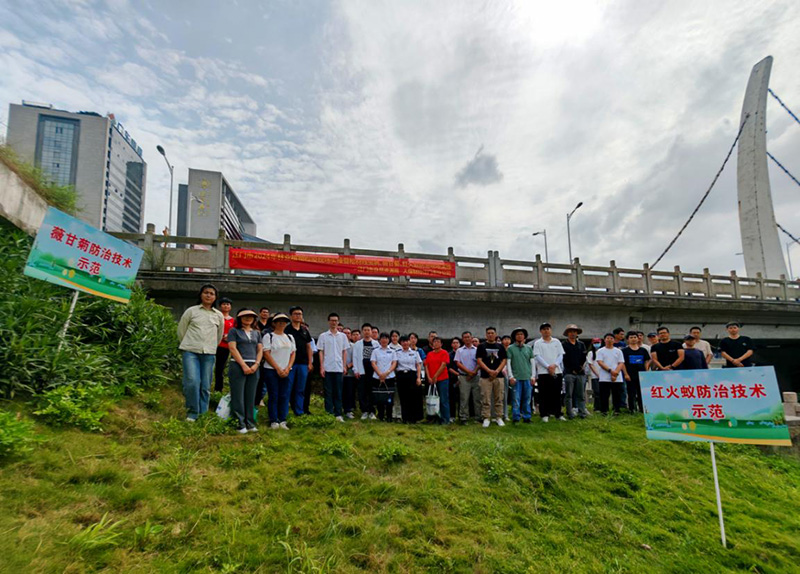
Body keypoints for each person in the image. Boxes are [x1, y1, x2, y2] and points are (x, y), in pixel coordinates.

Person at [177, 284, 224, 421]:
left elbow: (219, 336)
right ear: (201, 295)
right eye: (206, 293)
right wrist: (188, 344)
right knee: (192, 382)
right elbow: (181, 331)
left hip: (209, 354)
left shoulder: (218, 315)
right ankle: (192, 413)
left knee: (205, 385)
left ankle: (202, 414)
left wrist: (211, 347)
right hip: (191, 352)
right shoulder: (191, 311)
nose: (208, 295)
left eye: (212, 293)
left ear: (215, 297)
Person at [227, 308, 263, 433]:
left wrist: (256, 364)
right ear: (240, 318)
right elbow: (232, 348)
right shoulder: (234, 331)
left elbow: (260, 350)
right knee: (238, 395)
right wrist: (243, 365)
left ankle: (250, 422)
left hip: (254, 366)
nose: (248, 318)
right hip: (237, 365)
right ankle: (240, 423)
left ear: (254, 319)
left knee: (250, 395)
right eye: (245, 316)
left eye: (251, 316)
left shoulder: (257, 333)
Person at [263, 313, 296, 430]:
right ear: (274, 323)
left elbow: (293, 353)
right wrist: (277, 368)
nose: (281, 323)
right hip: (271, 370)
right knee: (274, 395)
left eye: (284, 321)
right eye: (279, 321)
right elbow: (266, 353)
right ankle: (273, 420)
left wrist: (288, 368)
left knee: (284, 395)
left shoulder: (290, 337)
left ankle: (283, 420)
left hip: (286, 371)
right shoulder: (269, 336)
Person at [317, 312, 349, 422]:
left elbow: (344, 352)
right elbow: (321, 352)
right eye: (332, 320)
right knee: (328, 392)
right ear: (328, 322)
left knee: (338, 391)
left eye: (336, 320)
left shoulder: (343, 336)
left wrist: (344, 366)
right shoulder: (323, 336)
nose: (334, 322)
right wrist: (321, 367)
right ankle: (329, 413)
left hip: (339, 368)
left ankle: (338, 413)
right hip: (327, 367)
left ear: (338, 322)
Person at [532, 323, 565, 422]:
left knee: (556, 393)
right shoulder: (538, 343)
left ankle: (558, 414)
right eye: (544, 329)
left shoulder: (557, 341)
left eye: (548, 329)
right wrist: (548, 366)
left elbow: (560, 355)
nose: (546, 331)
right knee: (543, 394)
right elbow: (537, 356)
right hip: (543, 372)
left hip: (556, 371)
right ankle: (544, 414)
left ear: (550, 330)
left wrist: (554, 365)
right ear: (541, 331)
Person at [285, 306, 314, 416]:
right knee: (288, 388)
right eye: (296, 314)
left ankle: (299, 411)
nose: (298, 316)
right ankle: (284, 411)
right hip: (290, 364)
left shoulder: (304, 330)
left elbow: (309, 347)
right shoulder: (287, 330)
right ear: (291, 316)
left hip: (303, 363)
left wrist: (310, 362)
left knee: (300, 389)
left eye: (300, 314)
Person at [476, 327, 507, 428]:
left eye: (492, 333)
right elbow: (479, 360)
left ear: (495, 334)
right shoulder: (481, 346)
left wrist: (497, 371)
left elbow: (504, 360)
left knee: (499, 397)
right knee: (485, 398)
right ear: (486, 335)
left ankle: (498, 417)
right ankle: (486, 418)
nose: (490, 335)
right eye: (488, 333)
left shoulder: (500, 346)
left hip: (499, 376)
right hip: (485, 376)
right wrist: (489, 371)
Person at [506, 327, 534, 423]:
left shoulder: (529, 348)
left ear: (524, 336)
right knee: (516, 399)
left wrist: (533, 376)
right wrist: (511, 376)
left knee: (527, 399)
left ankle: (527, 417)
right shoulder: (510, 348)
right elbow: (508, 363)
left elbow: (532, 363)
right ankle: (516, 417)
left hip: (527, 377)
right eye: (517, 334)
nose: (520, 336)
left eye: (521, 334)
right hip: (516, 378)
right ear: (514, 336)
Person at [352, 322, 379, 420]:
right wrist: (356, 370)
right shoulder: (358, 344)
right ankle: (364, 411)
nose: (367, 332)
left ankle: (372, 411)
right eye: (365, 330)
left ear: (371, 332)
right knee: (362, 392)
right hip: (361, 370)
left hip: (372, 371)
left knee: (371, 391)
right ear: (362, 332)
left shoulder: (376, 344)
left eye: (368, 330)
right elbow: (355, 357)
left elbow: (378, 358)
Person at [561, 324, 589, 419]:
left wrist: (580, 367)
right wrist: (572, 369)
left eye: (574, 331)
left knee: (581, 394)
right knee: (569, 394)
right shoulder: (564, 344)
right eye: (571, 331)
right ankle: (570, 413)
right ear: (567, 333)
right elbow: (565, 359)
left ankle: (582, 412)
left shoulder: (581, 344)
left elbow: (583, 357)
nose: (573, 333)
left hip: (580, 372)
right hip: (569, 372)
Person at [395, 335, 423, 423]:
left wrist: (418, 378)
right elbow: (394, 364)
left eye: (406, 341)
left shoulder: (415, 353)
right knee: (403, 397)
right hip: (401, 376)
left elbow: (418, 365)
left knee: (413, 397)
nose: (405, 343)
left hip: (412, 375)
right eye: (403, 341)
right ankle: (405, 418)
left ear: (409, 342)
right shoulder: (397, 352)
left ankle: (413, 418)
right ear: (400, 343)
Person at [424, 336, 452, 424]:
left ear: (441, 344)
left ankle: (445, 419)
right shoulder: (429, 354)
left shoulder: (444, 353)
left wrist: (435, 376)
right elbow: (426, 366)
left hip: (442, 379)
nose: (436, 343)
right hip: (431, 380)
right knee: (432, 399)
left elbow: (443, 365)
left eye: (438, 342)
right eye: (434, 342)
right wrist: (429, 377)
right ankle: (433, 417)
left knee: (443, 400)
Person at [371, 333, 398, 421]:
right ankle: (381, 416)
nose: (384, 340)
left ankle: (389, 416)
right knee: (379, 397)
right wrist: (380, 374)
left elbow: (394, 363)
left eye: (386, 338)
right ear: (380, 340)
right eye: (382, 338)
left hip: (389, 377)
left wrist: (386, 373)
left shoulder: (393, 351)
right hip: (377, 377)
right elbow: (373, 363)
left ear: (388, 340)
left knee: (389, 397)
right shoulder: (375, 351)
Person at [596, 333, 625, 414]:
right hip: (604, 377)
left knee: (617, 394)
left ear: (614, 340)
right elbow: (600, 362)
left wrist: (616, 373)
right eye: (607, 338)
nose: (609, 340)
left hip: (617, 377)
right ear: (604, 340)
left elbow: (621, 363)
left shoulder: (618, 351)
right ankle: (604, 410)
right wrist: (610, 371)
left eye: (611, 338)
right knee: (604, 395)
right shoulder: (600, 351)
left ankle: (616, 410)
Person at [455, 332, 480, 424]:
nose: (467, 339)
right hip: (464, 377)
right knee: (464, 398)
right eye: (465, 337)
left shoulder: (477, 350)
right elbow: (458, 363)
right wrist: (469, 372)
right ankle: (463, 417)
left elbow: (479, 362)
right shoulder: (459, 350)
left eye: (468, 337)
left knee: (477, 398)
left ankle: (478, 417)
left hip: (476, 376)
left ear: (472, 338)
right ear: (462, 339)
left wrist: (473, 373)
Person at [622, 331, 650, 413]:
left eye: (635, 337)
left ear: (638, 339)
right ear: (627, 340)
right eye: (631, 337)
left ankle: (642, 409)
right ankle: (632, 409)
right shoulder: (625, 351)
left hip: (641, 375)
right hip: (630, 375)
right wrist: (626, 374)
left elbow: (646, 361)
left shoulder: (643, 350)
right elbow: (622, 363)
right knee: (631, 393)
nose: (633, 339)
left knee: (641, 393)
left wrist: (646, 371)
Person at [214, 297, 235, 393]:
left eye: (228, 304)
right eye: (224, 304)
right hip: (214, 345)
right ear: (220, 306)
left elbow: (235, 334)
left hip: (225, 347)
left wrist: (229, 337)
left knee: (220, 368)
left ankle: (218, 389)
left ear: (230, 307)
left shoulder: (233, 321)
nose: (226, 306)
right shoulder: (216, 317)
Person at [343, 328, 359, 419]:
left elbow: (356, 358)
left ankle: (348, 410)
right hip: (339, 371)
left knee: (349, 392)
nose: (346, 335)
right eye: (344, 333)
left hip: (350, 373)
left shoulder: (354, 346)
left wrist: (349, 365)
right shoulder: (338, 344)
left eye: (348, 333)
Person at [585, 337, 602, 411]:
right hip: (595, 376)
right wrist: (597, 374)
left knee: (603, 392)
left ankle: (603, 407)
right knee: (597, 392)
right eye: (595, 343)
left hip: (604, 376)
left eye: (598, 342)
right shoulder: (590, 353)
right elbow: (590, 364)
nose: (596, 344)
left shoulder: (603, 351)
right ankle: (596, 408)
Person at [447, 338, 461, 421]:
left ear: (459, 344)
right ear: (451, 344)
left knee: (461, 398)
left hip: (463, 377)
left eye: (457, 343)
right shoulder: (449, 354)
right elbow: (449, 367)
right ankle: (452, 415)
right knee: (451, 398)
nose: (455, 344)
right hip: (452, 378)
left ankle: (461, 415)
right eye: (453, 343)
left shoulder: (462, 353)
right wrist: (457, 374)